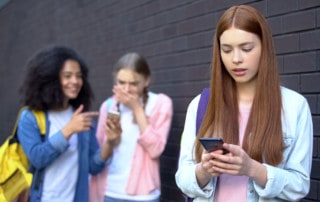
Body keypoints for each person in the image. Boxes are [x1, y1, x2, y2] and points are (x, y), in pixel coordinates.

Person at [175, 5, 313, 202]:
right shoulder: (200, 105)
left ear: (264, 47)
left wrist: (252, 169)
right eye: (227, 50)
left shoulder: (294, 106)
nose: (236, 59)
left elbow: (299, 185)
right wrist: (204, 171)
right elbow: (182, 178)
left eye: (246, 48)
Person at [17, 46, 111, 202]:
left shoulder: (82, 117)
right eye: (67, 76)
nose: (75, 81)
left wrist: (111, 144)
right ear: (51, 79)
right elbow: (38, 158)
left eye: (79, 76)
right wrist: (69, 129)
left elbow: (93, 167)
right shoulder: (30, 117)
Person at [89, 52, 173, 202]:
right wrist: (110, 141)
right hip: (110, 192)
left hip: (144, 195)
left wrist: (137, 109)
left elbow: (155, 150)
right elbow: (98, 158)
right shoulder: (108, 106)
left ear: (146, 80)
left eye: (133, 84)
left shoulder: (161, 103)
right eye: (121, 82)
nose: (126, 89)